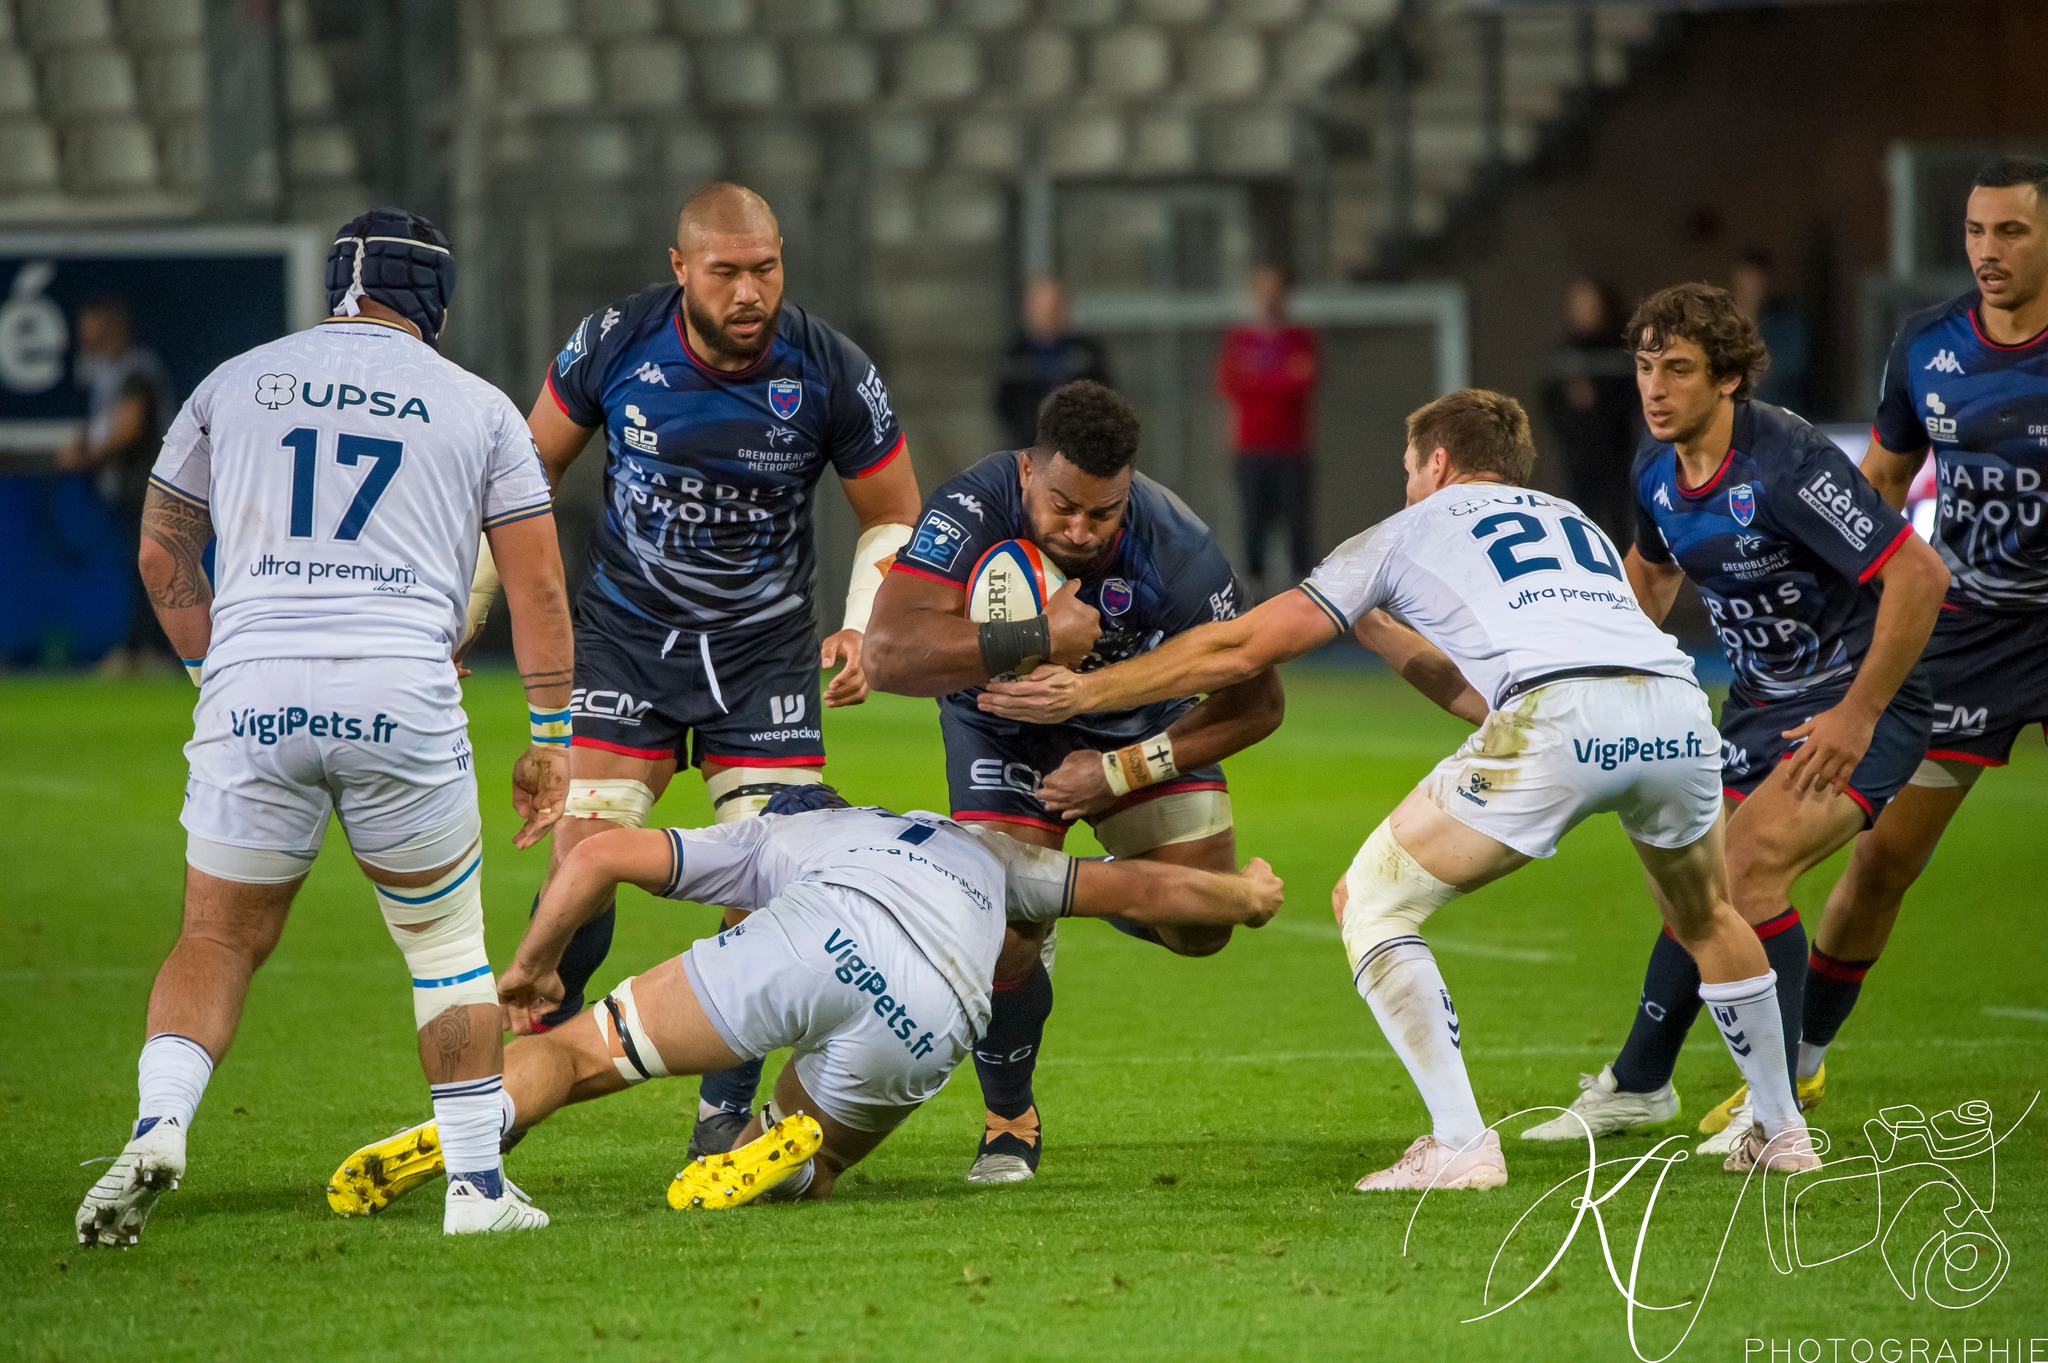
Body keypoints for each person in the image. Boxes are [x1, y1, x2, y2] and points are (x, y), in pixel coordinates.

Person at [981, 388, 1825, 1188]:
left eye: (1409, 468)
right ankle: (1781, 1129)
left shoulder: (1408, 529)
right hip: (1674, 707)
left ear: (1441, 461)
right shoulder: (1577, 524)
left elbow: (1239, 651)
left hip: (1560, 717)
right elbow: (1474, 693)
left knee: (1372, 901)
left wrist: (1087, 691)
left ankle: (1459, 1141)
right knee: (1708, 914)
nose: (1408, 484)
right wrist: (1380, 630)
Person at [75, 209, 577, 1245]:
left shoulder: (233, 380)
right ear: (434, 294)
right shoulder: (479, 408)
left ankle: (159, 1122)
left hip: (253, 687)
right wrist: (549, 734)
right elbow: (538, 589)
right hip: (400, 688)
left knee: (214, 936)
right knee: (446, 948)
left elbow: (164, 557)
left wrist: (217, 676)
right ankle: (477, 1189)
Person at [325, 784, 1284, 1215]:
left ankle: (480, 1119)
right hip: (937, 1010)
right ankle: (782, 1162)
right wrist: (1245, 896)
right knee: (813, 1157)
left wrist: (532, 965)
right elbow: (1145, 888)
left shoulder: (775, 843)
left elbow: (604, 853)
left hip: (819, 932)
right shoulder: (991, 853)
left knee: (577, 1052)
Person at [511, 182, 922, 1160]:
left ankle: (721, 1114)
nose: (750, 291)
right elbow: (525, 475)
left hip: (763, 662)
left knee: (773, 882)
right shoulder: (614, 341)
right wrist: (479, 608)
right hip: (627, 647)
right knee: (582, 866)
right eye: (727, 271)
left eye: (765, 267)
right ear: (680, 268)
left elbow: (893, 511)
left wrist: (863, 627)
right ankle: (509, 1083)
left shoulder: (828, 368)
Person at [1517, 284, 1947, 1151]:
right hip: (1755, 707)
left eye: (1677, 368)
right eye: (1644, 366)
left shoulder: (1787, 462)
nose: (1655, 387)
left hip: (1859, 699)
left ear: (1728, 379)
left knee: (1743, 874)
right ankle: (1641, 1082)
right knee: (1688, 879)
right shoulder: (1655, 468)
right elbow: (1649, 579)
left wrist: (1858, 715)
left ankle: (1773, 1110)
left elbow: (1919, 578)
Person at [863, 380, 1283, 1185]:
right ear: (1028, 472)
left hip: (1134, 724)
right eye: (1062, 506)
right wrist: (1035, 633)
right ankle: (1008, 1118)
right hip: (999, 726)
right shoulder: (973, 505)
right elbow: (886, 654)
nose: (1082, 531)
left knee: (1204, 927)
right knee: (1007, 930)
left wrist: (1122, 770)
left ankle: (1072, 891)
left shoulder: (1177, 546)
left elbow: (1259, 701)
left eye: (1104, 512)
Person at [1794, 156, 2048, 1093]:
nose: (1989, 251)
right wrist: (1844, 607)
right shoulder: (1929, 343)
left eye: (2012, 232)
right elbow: (1884, 485)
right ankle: (1801, 1062)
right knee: (1882, 859)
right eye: (1978, 231)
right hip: (1969, 635)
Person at [55, 297, 175, 667]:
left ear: (112, 329)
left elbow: (130, 426)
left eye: (92, 327)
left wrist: (86, 456)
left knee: (150, 568)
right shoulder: (108, 372)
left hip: (146, 487)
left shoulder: (136, 370)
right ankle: (145, 649)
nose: (83, 335)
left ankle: (147, 652)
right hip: (128, 488)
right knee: (138, 569)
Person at [1215, 264, 1319, 596]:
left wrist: (1257, 377)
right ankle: (1254, 604)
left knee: (1298, 531)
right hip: (1251, 451)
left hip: (1292, 451)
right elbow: (1230, 382)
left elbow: (1305, 380)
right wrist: (1280, 377)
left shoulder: (1300, 338)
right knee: (1253, 531)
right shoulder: (1239, 339)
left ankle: (1309, 607)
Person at [1540, 276, 1638, 545]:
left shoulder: (1619, 352)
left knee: (1622, 537)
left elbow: (1633, 402)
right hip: (1578, 463)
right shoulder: (1564, 354)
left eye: (1588, 304)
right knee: (1578, 536)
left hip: (1618, 463)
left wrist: (1599, 397)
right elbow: (1549, 401)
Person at [994, 277, 1111, 451]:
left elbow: (1105, 394)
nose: (1050, 313)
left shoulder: (1087, 351)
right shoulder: (1014, 355)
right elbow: (1004, 403)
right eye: (1044, 307)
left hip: (1082, 447)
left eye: (1056, 306)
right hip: (1031, 446)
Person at [1731, 249, 1814, 414]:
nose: (1748, 290)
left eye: (1754, 282)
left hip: (1782, 414)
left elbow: (1789, 368)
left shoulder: (1787, 323)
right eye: (1743, 283)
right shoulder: (1726, 324)